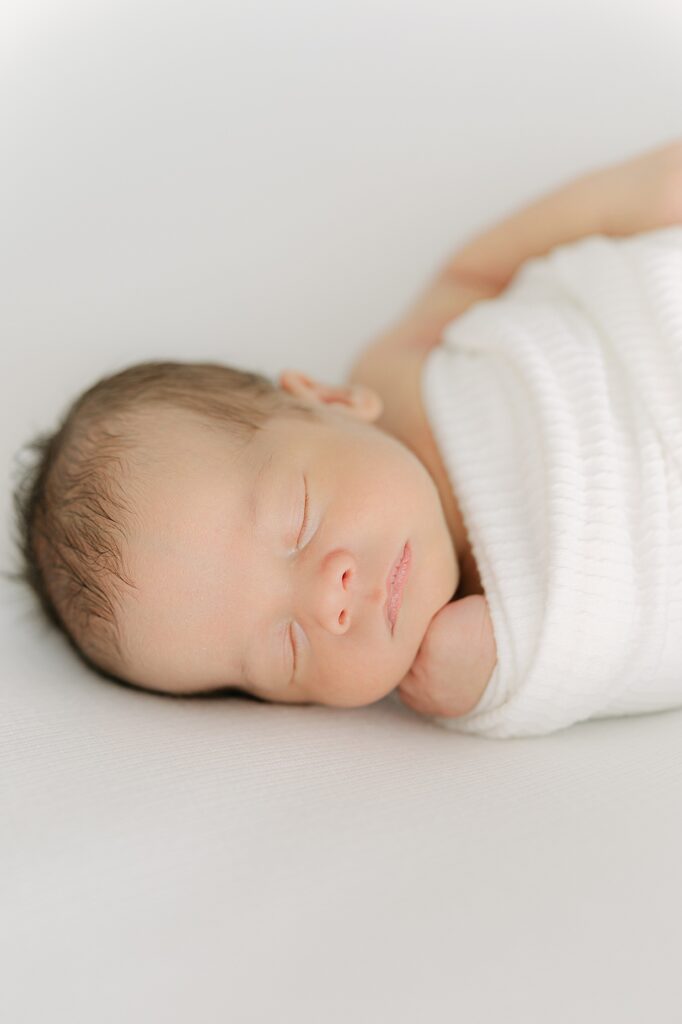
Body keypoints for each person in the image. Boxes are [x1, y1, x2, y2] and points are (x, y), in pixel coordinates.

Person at [6, 138, 682, 736]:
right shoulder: (482, 653)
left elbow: (479, 269)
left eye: (299, 518)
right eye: (286, 650)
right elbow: (650, 643)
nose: (329, 599)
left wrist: (647, 188)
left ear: (329, 401)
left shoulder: (394, 376)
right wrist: (517, 676)